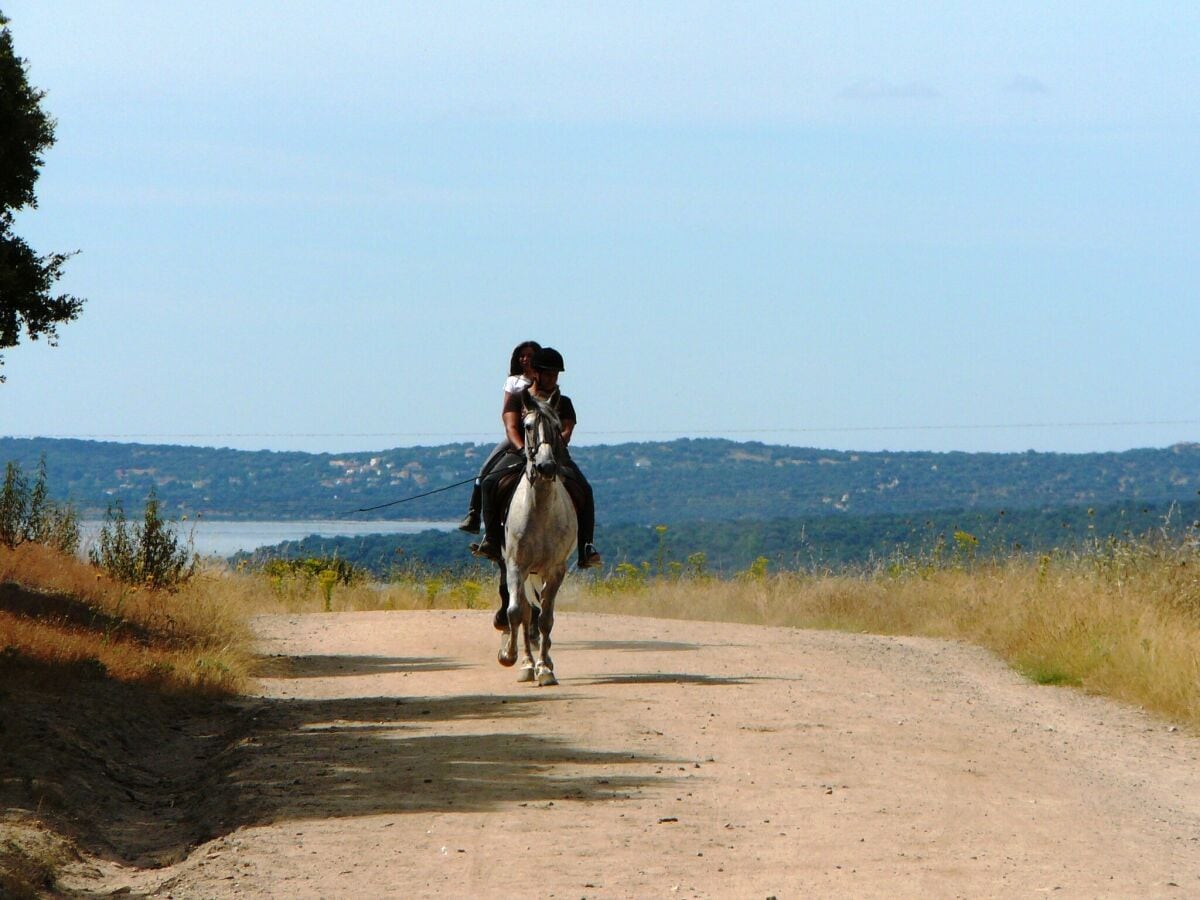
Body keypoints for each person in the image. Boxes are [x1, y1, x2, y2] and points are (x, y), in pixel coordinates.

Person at [473, 346, 602, 569]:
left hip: (555, 456)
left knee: (585, 489)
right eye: (548, 374)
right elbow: (511, 428)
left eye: (556, 375)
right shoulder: (517, 399)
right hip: (521, 452)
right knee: (490, 482)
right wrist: (524, 450)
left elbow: (567, 431)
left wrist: (549, 449)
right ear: (536, 374)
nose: (553, 379)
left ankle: (586, 547)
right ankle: (492, 540)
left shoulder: (564, 402)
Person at [458, 340, 542, 534]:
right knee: (485, 471)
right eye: (522, 355)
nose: (526, 359)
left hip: (542, 435)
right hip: (519, 433)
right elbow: (506, 410)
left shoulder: (544, 380)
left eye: (530, 355)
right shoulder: (514, 381)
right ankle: (474, 514)